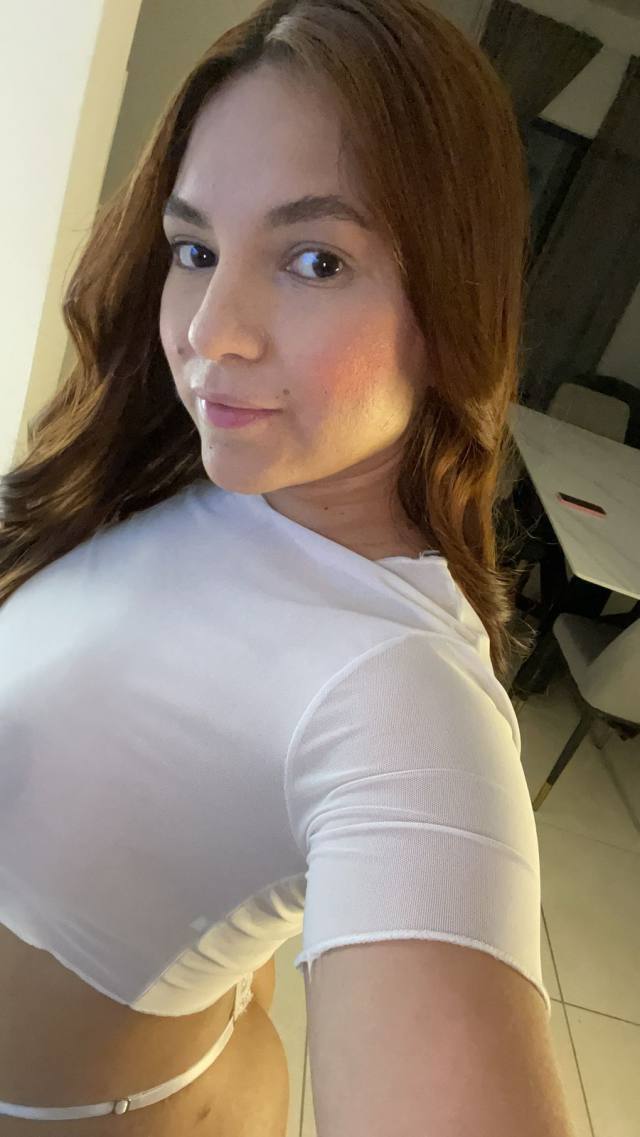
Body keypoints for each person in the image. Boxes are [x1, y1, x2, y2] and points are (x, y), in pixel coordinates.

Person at [0, 1, 576, 1134]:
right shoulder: (198, 468)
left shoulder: (402, 697)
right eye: (196, 250)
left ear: (453, 305)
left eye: (316, 261)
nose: (211, 330)